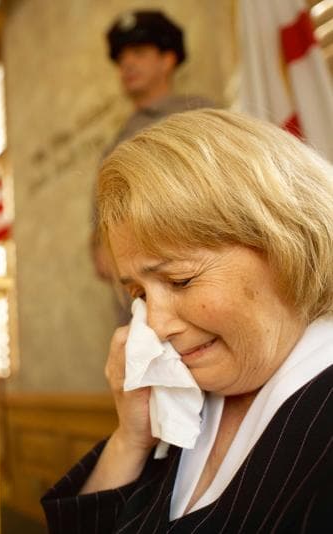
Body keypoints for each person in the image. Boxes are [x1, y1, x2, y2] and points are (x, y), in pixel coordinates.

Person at [42, 109, 333, 532]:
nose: (156, 326)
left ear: (285, 241)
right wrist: (130, 439)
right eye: (139, 293)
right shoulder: (178, 400)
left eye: (181, 280)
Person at [92, 10, 214, 303]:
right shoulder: (118, 138)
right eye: (121, 59)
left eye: (139, 52)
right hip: (135, 287)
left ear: (168, 59)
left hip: (187, 280)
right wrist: (100, 244)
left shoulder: (199, 114)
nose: (127, 64)